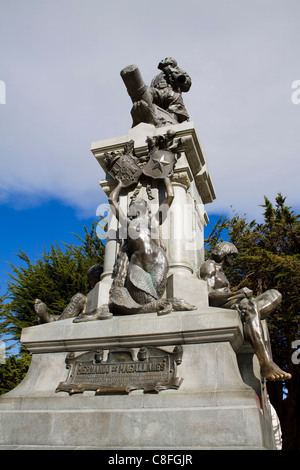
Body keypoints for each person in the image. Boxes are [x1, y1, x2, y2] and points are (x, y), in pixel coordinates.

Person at [200, 241, 292, 381]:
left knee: (274, 294)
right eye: (233, 256)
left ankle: (250, 317)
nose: (235, 260)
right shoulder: (210, 265)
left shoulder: (222, 271)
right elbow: (208, 295)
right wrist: (238, 294)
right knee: (250, 307)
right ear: (226, 254)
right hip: (223, 304)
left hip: (236, 302)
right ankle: (266, 362)